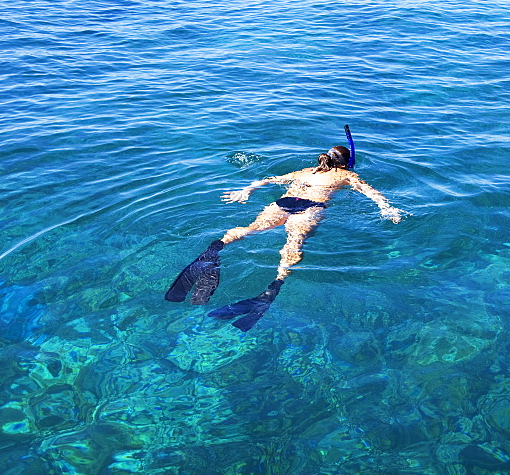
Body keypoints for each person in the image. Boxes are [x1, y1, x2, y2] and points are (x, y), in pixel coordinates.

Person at [164, 128, 402, 331]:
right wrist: (387, 208)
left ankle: (213, 251)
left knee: (250, 228)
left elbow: (268, 180)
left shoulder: (305, 172)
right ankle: (272, 288)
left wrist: (246, 190)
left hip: (284, 203)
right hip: (310, 208)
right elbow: (372, 193)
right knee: (293, 245)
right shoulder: (348, 175)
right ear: (343, 163)